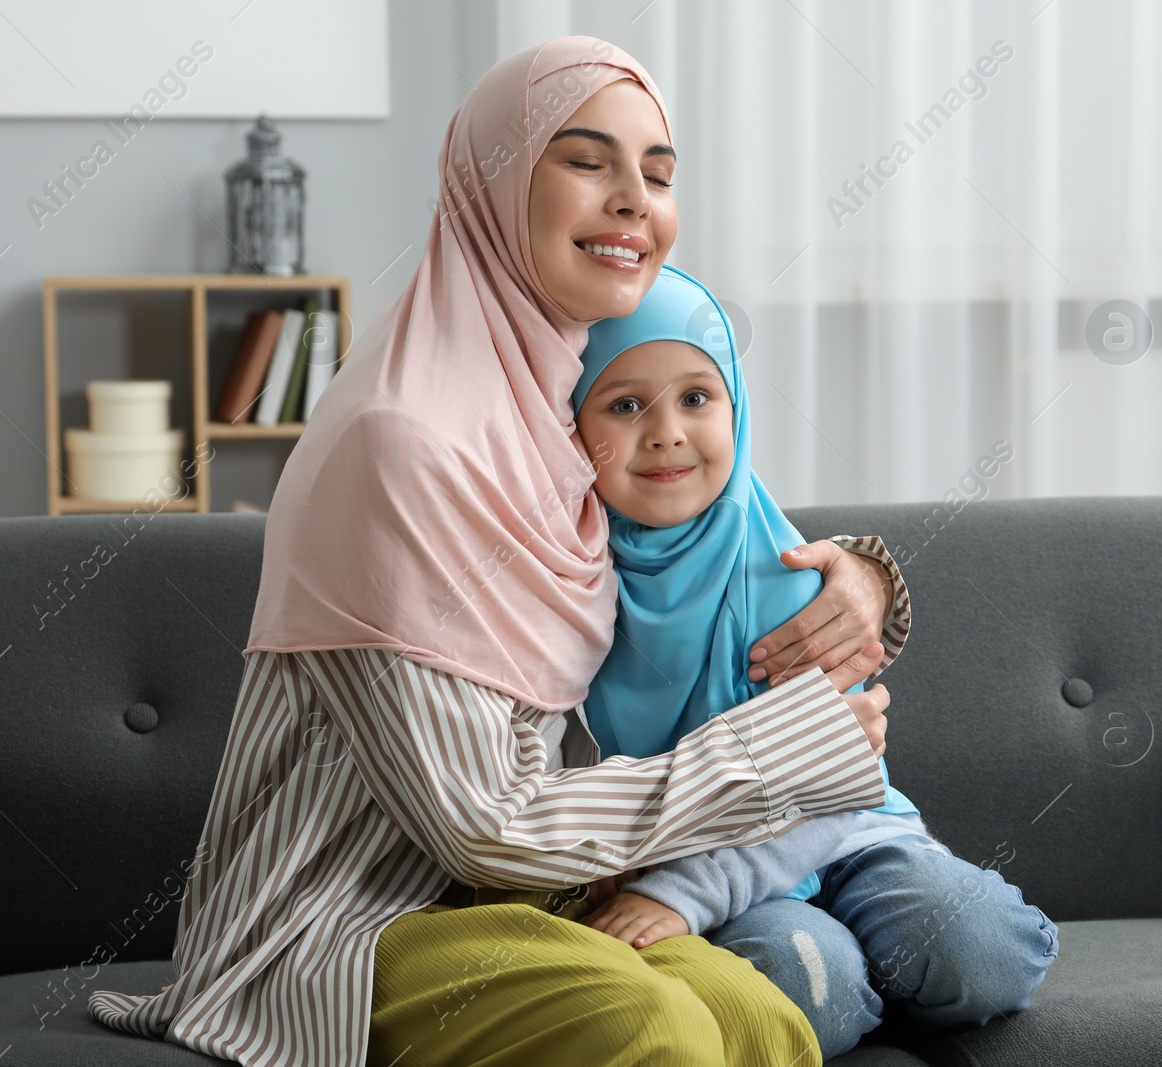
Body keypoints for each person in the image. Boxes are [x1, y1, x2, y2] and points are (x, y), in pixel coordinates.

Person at [88, 36, 914, 1067]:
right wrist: (797, 747)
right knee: (652, 1026)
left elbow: (719, 546)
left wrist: (867, 574)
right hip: (351, 922)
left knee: (750, 1013)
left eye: (657, 173)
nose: (632, 199)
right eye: (584, 160)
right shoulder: (405, 439)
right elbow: (481, 821)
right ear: (490, 181)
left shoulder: (548, 415)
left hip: (528, 897)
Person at [568, 263, 1061, 1059]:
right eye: (625, 405)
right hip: (703, 875)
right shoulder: (559, 589)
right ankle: (866, 977)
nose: (666, 432)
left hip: (841, 837)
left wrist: (684, 894)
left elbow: (830, 787)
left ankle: (891, 963)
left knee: (983, 949)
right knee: (804, 987)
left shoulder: (795, 575)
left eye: (697, 397)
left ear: (738, 408)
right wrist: (682, 891)